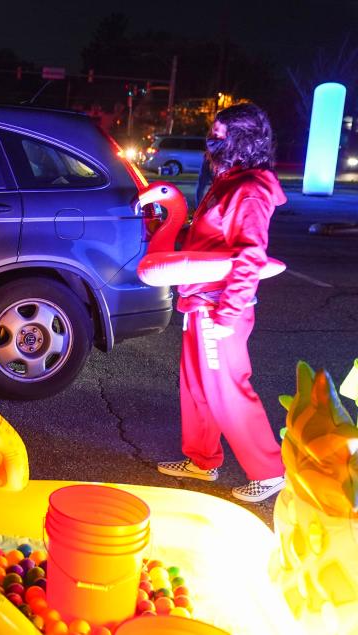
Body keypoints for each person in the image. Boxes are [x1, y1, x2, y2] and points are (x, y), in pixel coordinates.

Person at [156, 103, 287, 503]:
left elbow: (250, 255)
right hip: (200, 302)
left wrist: (228, 313)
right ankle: (202, 459)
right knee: (196, 386)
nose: (212, 139)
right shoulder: (230, 180)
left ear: (242, 140)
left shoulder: (249, 189)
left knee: (228, 388)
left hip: (218, 306)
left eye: (219, 132)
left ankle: (268, 471)